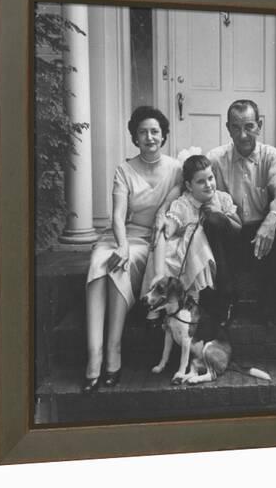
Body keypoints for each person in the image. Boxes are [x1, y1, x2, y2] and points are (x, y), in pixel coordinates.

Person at [83, 106, 182, 393]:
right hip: (125, 235)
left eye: (154, 131)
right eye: (142, 132)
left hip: (154, 240)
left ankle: (113, 352)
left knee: (118, 267)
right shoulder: (124, 170)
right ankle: (94, 355)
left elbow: (178, 202)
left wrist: (162, 215)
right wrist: (122, 244)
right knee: (100, 261)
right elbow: (117, 215)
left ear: (163, 136)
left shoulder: (176, 168)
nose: (149, 137)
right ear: (134, 137)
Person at [207, 99, 276, 323]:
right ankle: (225, 298)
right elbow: (196, 189)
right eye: (236, 127)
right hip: (230, 232)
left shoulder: (271, 156)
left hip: (260, 236)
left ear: (259, 126)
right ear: (228, 129)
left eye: (249, 126)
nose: (243, 135)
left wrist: (271, 220)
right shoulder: (215, 158)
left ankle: (269, 303)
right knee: (211, 220)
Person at [147, 155, 241, 312]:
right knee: (195, 235)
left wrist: (221, 215)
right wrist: (159, 273)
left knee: (206, 228)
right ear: (189, 186)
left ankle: (219, 300)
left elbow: (239, 228)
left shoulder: (222, 199)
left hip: (223, 256)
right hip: (197, 259)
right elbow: (166, 231)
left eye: (210, 178)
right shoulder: (184, 204)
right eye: (201, 181)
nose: (208, 185)